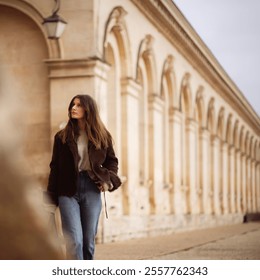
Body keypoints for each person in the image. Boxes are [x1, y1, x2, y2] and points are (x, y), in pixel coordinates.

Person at [46, 94, 121, 260]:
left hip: (92, 188)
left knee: (88, 242)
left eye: (79, 105)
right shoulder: (62, 137)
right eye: (73, 104)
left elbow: (112, 162)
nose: (74, 108)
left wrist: (107, 181)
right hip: (67, 190)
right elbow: (55, 168)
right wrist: (50, 199)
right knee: (74, 240)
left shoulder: (102, 136)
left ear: (89, 109)